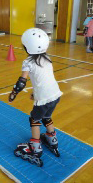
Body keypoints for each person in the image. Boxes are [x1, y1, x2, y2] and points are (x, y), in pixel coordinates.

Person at [9, 28, 63, 166]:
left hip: (44, 98)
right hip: (55, 94)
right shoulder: (47, 58)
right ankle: (52, 139)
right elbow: (44, 80)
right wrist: (36, 93)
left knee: (34, 119)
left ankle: (35, 147)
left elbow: (21, 82)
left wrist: (14, 93)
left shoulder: (28, 62)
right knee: (47, 117)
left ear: (27, 47)